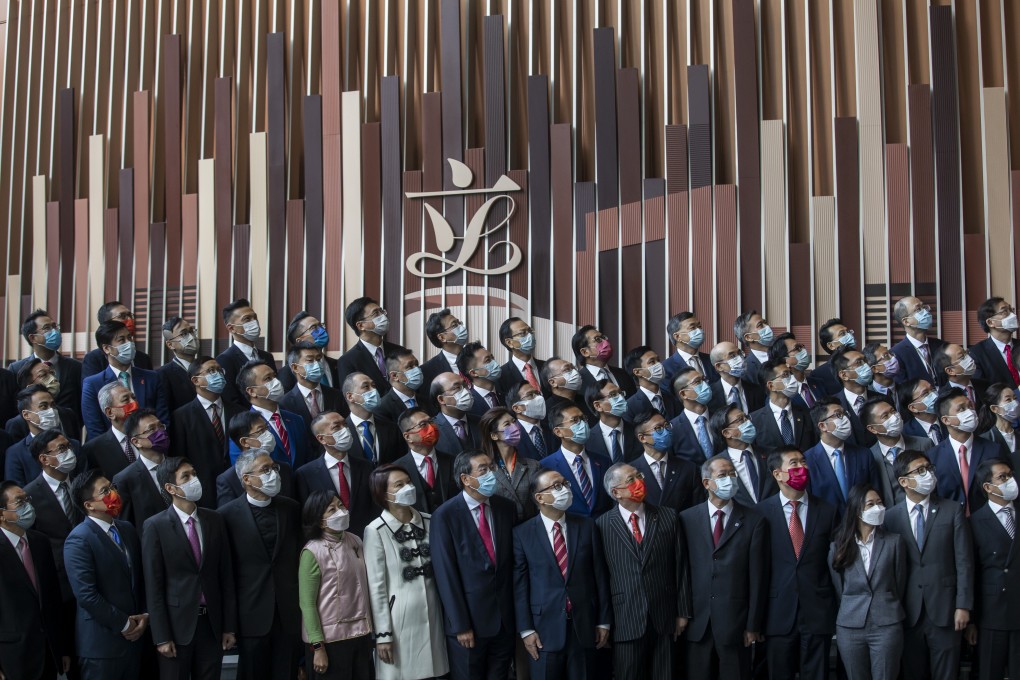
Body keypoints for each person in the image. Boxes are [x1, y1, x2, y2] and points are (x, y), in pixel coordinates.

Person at [512, 468, 612, 679]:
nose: (565, 489)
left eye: (565, 484)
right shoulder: (522, 533)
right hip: (543, 631)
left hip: (584, 625)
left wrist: (603, 621)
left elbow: (600, 577)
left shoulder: (587, 526)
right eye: (557, 486)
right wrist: (526, 630)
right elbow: (520, 586)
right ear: (539, 497)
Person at [142, 456, 237, 680]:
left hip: (211, 624)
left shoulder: (214, 519)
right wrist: (161, 636)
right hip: (176, 626)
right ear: (170, 487)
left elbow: (225, 575)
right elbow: (154, 584)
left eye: (194, 474)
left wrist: (229, 627)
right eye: (186, 476)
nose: (194, 479)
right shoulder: (155, 526)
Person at [883, 450, 973, 680]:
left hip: (946, 610)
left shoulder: (952, 510)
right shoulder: (890, 518)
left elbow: (964, 561)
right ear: (903, 481)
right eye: (920, 471)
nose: (928, 474)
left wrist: (963, 605)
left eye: (929, 469)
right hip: (908, 612)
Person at [596, 462, 691, 680]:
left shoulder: (668, 516)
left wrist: (682, 611)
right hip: (625, 618)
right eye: (630, 480)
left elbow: (681, 565)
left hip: (664, 615)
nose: (639, 481)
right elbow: (601, 577)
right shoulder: (602, 525)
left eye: (639, 475)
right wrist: (604, 621)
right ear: (616, 492)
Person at [431, 450, 516, 680]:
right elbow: (445, 573)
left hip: (505, 621)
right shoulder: (445, 515)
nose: (492, 474)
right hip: (470, 625)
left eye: (492, 467)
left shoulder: (505, 508)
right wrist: (460, 625)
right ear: (465, 479)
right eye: (484, 470)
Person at [680, 454, 767, 679]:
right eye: (722, 475)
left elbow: (758, 577)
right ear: (706, 483)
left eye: (732, 474)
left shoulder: (754, 520)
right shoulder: (686, 519)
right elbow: (681, 571)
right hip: (697, 622)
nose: (730, 479)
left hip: (736, 624)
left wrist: (752, 625)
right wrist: (682, 613)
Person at [217, 449, 302, 680]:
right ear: (246, 479)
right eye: (265, 470)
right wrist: (229, 624)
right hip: (251, 615)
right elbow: (225, 573)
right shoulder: (225, 515)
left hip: (289, 613)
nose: (273, 473)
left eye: (273, 468)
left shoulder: (292, 508)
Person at [757, 446, 838, 680]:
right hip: (777, 613)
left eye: (803, 462)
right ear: (777, 474)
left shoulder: (827, 510)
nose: (801, 468)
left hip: (817, 610)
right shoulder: (760, 513)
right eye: (793, 464)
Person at [363, 464, 449, 680]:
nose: (407, 487)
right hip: (399, 620)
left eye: (408, 482)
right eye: (399, 485)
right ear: (383, 494)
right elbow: (376, 586)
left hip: (434, 613)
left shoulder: (430, 520)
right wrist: (383, 634)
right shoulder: (376, 530)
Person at [64, 470, 149, 680]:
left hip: (135, 641)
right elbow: (86, 595)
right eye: (105, 491)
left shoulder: (126, 529)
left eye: (112, 487)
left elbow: (139, 579)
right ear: (89, 505)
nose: (113, 493)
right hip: (102, 647)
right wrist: (126, 624)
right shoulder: (79, 539)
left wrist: (145, 616)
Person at [828, 484, 907, 680]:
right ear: (856, 510)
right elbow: (839, 587)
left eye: (879, 503)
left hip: (887, 623)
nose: (877, 508)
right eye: (870, 504)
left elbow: (900, 582)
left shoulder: (894, 542)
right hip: (850, 624)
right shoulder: (838, 546)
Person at [298, 490, 375, 679]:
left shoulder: (355, 540)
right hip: (330, 641)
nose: (340, 511)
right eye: (331, 509)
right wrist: (318, 646)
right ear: (320, 520)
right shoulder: (312, 551)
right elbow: (307, 604)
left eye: (341, 506)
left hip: (361, 634)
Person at [0, 480, 70, 679]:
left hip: (49, 650)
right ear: (1, 514)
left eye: (27, 499)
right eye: (19, 502)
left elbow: (53, 598)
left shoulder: (40, 542)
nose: (28, 506)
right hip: (13, 655)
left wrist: (61, 647)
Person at [966, 457, 1020, 679]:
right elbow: (970, 572)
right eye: (1003, 477)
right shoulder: (973, 522)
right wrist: (971, 619)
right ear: (988, 487)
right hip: (991, 613)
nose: (1011, 480)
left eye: (1011, 475)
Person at [169, 356, 238, 507]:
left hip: (237, 489)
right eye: (211, 371)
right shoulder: (181, 417)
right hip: (203, 492)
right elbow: (180, 458)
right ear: (195, 380)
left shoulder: (238, 411)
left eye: (220, 370)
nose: (218, 374)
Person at [81, 319, 168, 439]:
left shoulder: (152, 377)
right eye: (122, 340)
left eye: (129, 338)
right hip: (112, 451)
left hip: (151, 447)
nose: (129, 343)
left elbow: (163, 418)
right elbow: (94, 428)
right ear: (107, 348)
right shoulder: (93, 384)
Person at [929, 387, 1007, 514]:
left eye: (970, 406)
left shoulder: (993, 450)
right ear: (946, 420)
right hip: (953, 525)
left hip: (988, 521)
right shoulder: (933, 457)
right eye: (961, 409)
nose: (970, 412)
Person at [298, 411, 376, 537]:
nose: (345, 429)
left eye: (345, 424)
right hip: (330, 546)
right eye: (336, 427)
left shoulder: (366, 466)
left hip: (367, 537)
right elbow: (308, 518)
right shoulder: (305, 474)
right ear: (321, 438)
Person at [803, 398, 880, 517]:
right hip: (828, 529)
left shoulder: (864, 454)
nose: (845, 419)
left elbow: (876, 492)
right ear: (823, 426)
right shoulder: (807, 460)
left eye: (844, 414)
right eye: (838, 414)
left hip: (863, 524)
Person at [538, 403, 614, 517]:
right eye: (575, 420)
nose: (583, 424)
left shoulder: (604, 461)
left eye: (583, 418)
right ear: (558, 431)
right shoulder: (546, 466)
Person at [11, 308, 84, 425]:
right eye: (47, 328)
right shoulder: (16, 369)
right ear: (32, 337)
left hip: (67, 433)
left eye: (55, 326)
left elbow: (81, 405)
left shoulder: (75, 367)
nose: (54, 331)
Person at [236, 359, 310, 468]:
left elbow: (308, 458)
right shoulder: (243, 428)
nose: (276, 382)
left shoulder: (296, 419)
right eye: (268, 379)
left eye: (274, 376)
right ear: (252, 391)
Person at [5, 385, 85, 485]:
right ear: (26, 415)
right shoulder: (15, 453)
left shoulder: (74, 445)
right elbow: (17, 492)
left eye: (53, 405)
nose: (51, 410)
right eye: (43, 406)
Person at [862, 395, 934, 507]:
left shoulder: (924, 444)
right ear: (872, 428)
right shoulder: (870, 457)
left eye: (893, 411)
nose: (894, 417)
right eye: (885, 416)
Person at [216, 413, 298, 506]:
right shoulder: (228, 480)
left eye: (267, 428)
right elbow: (229, 514)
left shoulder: (283, 468)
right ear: (244, 442)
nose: (268, 434)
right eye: (261, 431)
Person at [629, 411, 703, 512]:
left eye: (666, 425)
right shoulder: (631, 472)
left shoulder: (689, 468)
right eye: (658, 428)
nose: (666, 431)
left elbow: (698, 509)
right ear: (642, 438)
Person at [278, 345, 345, 455]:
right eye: (310, 360)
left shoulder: (337, 395)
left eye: (318, 359)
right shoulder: (284, 403)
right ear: (295, 367)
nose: (317, 364)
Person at [480, 407, 542, 523]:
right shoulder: (485, 470)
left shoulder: (533, 465)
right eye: (507, 424)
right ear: (494, 435)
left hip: (529, 530)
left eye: (514, 422)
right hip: (501, 531)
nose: (514, 427)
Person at [336, 297, 406, 396]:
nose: (383, 316)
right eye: (376, 313)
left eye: (382, 311)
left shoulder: (399, 351)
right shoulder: (347, 361)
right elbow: (351, 399)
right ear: (361, 326)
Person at [214, 298, 276, 409]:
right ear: (232, 328)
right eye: (247, 319)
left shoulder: (267, 357)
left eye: (255, 317)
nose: (254, 322)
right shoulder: (225, 360)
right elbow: (231, 401)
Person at [114, 409, 171, 529]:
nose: (160, 432)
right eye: (152, 429)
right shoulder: (125, 479)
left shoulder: (179, 466)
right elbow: (127, 525)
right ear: (136, 441)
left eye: (161, 426)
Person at [749, 359, 818, 457]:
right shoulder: (754, 420)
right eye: (785, 375)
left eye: (791, 373)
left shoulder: (807, 414)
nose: (792, 378)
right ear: (771, 385)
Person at [392, 407, 457, 513]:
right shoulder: (397, 470)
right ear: (408, 437)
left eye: (431, 421)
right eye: (423, 424)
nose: (431, 427)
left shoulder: (453, 462)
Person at [711, 404, 776, 505]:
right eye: (740, 420)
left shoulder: (772, 454)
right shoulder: (715, 466)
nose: (748, 422)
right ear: (727, 433)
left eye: (747, 417)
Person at [341, 371, 404, 463]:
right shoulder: (341, 433)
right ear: (350, 397)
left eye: (373, 385)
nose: (374, 390)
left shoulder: (392, 428)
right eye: (366, 386)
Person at [9, 358, 81, 438]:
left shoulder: (68, 415)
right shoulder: (16, 424)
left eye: (52, 373)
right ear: (30, 386)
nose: (52, 378)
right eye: (43, 375)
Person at [80, 301, 154, 378]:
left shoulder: (143, 359)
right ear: (107, 323)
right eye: (122, 316)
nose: (129, 320)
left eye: (130, 315)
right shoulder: (94, 359)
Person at [82, 382, 139, 479]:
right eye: (126, 399)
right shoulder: (93, 450)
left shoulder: (151, 434)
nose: (133, 403)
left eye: (134, 398)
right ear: (109, 412)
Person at [829, 346, 880, 448]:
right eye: (859, 362)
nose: (866, 365)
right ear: (844, 375)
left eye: (865, 361)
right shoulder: (832, 406)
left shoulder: (882, 399)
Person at [277, 312, 341, 391]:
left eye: (321, 326)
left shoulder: (337, 364)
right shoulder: (286, 373)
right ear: (300, 340)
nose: (321, 330)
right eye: (313, 328)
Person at [584, 378, 643, 463]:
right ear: (598, 406)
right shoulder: (587, 440)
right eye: (613, 395)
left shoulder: (637, 432)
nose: (621, 398)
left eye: (620, 393)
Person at [890, 296, 944, 384]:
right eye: (918, 309)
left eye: (924, 307)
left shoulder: (941, 346)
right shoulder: (896, 354)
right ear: (906, 322)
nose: (925, 312)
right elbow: (904, 390)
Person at [668, 366, 716, 465]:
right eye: (698, 382)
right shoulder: (672, 429)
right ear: (683, 394)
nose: (705, 385)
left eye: (704, 380)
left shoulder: (721, 418)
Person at [970, 297, 1020, 389]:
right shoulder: (977, 354)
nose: (1012, 315)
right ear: (990, 322)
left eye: (1011, 310)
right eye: (1005, 311)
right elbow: (982, 390)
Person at [429, 371, 482, 456]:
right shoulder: (430, 429)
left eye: (465, 386)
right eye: (457, 388)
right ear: (441, 399)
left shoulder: (481, 422)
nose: (465, 391)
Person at [661, 312, 719, 389]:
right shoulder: (666, 368)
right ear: (677, 336)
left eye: (699, 326)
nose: (699, 331)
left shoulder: (712, 360)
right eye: (692, 328)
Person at [573, 324, 635, 396]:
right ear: (585, 352)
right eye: (597, 339)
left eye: (603, 338)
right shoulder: (578, 382)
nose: (605, 341)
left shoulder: (623, 374)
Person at [708, 340, 766, 415]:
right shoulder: (710, 396)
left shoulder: (758, 391)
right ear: (719, 366)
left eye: (739, 353)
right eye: (732, 356)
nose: (740, 358)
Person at [157, 316, 200, 415]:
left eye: (192, 331)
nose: (191, 336)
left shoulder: (205, 365)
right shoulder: (163, 374)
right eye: (184, 334)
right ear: (170, 344)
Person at [768, 331, 823, 409]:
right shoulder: (780, 397)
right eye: (797, 348)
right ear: (785, 360)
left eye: (801, 347)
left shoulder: (820, 383)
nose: (804, 350)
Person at [623, 345, 678, 422]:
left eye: (658, 360)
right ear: (638, 372)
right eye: (652, 362)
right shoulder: (629, 407)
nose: (659, 365)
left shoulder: (672, 397)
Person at [496, 317, 545, 395]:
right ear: (509, 342)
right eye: (522, 333)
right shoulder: (501, 376)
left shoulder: (547, 367)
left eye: (530, 331)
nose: (530, 336)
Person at [421, 308, 469, 388]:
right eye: (454, 325)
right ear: (442, 337)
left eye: (459, 323)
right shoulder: (426, 371)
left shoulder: (477, 357)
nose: (461, 327)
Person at [507, 381, 555, 460]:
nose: (538, 398)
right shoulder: (511, 437)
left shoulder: (551, 426)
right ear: (517, 408)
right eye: (530, 395)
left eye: (537, 393)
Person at [811, 318, 858, 397]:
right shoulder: (819, 375)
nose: (849, 335)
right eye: (842, 334)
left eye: (848, 332)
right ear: (831, 345)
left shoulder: (865, 362)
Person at [377, 347, 425, 420]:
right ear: (394, 376)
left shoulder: (427, 401)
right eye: (410, 366)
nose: (417, 369)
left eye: (417, 364)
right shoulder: (382, 408)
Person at [457, 341, 505, 416]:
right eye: (488, 360)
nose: (494, 362)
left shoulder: (506, 391)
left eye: (492, 358)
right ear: (474, 373)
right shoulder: (468, 404)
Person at [933, 343, 987, 408]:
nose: (969, 358)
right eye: (962, 357)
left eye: (966, 353)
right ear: (950, 371)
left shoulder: (985, 385)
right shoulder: (942, 398)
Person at [898, 378, 948, 446]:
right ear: (913, 408)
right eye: (925, 393)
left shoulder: (949, 417)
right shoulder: (906, 434)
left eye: (933, 389)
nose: (934, 394)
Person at [733, 310, 776, 386]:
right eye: (760, 325)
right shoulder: (746, 370)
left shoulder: (785, 352)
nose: (767, 327)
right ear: (749, 337)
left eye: (765, 323)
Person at [980, 383, 1020, 460]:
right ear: (994, 408)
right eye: (1008, 399)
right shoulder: (985, 440)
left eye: (1015, 398)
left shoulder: (1018, 435)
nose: (1015, 403)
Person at [864, 341, 903, 405]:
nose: (893, 358)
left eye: (891, 354)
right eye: (886, 356)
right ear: (875, 369)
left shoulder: (904, 389)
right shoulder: (866, 397)